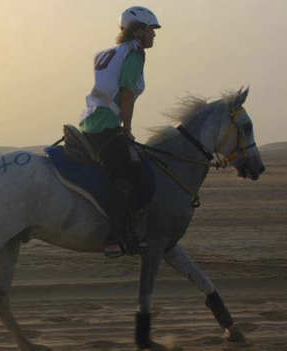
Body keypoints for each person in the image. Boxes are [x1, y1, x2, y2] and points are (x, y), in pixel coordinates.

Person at [78, 6, 160, 258]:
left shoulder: (111, 52)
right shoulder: (134, 55)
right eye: (152, 31)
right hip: (107, 125)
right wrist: (128, 128)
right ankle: (116, 238)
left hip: (89, 122)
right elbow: (127, 93)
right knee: (128, 173)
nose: (154, 36)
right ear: (139, 30)